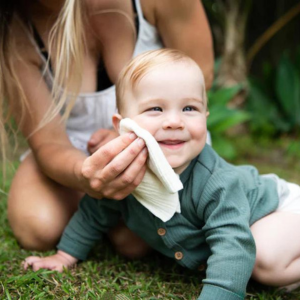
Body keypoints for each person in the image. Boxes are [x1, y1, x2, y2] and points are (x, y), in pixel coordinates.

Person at [24, 49, 300, 299]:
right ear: (123, 125)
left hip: (279, 209)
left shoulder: (217, 183)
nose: (174, 121)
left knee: (264, 261)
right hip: (261, 221)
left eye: (189, 108)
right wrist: (64, 255)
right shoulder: (127, 170)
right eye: (156, 109)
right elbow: (94, 211)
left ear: (205, 116)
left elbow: (233, 244)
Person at [0, 0, 214, 253]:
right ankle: (103, 206)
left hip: (161, 137)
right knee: (38, 226)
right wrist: (86, 175)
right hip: (70, 144)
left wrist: (127, 137)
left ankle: (107, 213)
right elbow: (49, 142)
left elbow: (201, 72)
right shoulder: (15, 29)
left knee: (135, 243)